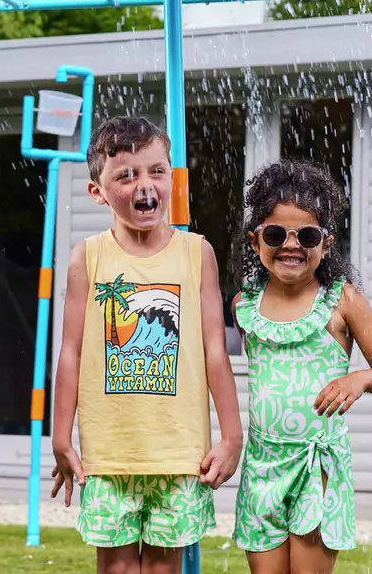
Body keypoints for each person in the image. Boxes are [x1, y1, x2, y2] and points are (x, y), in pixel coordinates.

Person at [49, 116, 244, 574]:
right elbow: (71, 353)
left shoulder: (198, 253)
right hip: (109, 453)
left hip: (179, 454)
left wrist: (232, 435)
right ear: (98, 191)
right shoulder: (88, 257)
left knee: (163, 568)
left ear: (171, 177)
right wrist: (61, 434)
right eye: (126, 175)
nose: (145, 185)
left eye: (156, 170)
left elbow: (215, 351)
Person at [231, 159, 372, 574]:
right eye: (276, 234)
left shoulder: (342, 301)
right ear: (256, 242)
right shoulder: (244, 306)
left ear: (325, 244)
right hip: (261, 466)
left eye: (306, 235)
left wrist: (360, 378)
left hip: (316, 466)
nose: (291, 245)